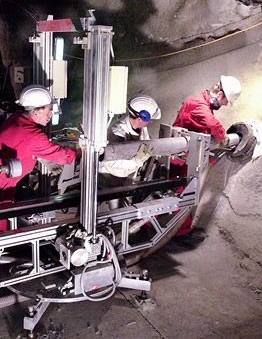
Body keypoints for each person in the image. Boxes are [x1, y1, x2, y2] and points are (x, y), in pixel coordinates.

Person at [0, 85, 77, 234]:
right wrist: (84, 150)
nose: (51, 114)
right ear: (36, 112)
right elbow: (64, 157)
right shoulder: (32, 135)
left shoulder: (17, 117)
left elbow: (25, 147)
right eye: (48, 109)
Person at [172, 75, 241, 240]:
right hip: (178, 159)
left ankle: (168, 229)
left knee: (182, 193)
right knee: (181, 195)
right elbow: (211, 123)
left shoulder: (203, 103)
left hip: (187, 157)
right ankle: (179, 234)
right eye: (226, 101)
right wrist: (223, 137)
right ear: (220, 95)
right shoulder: (197, 103)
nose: (225, 105)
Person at [98, 95, 161, 205]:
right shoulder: (116, 132)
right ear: (140, 118)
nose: (151, 122)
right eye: (150, 119)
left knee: (123, 211)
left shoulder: (142, 127)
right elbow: (110, 162)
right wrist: (136, 161)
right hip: (109, 180)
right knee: (113, 212)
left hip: (126, 179)